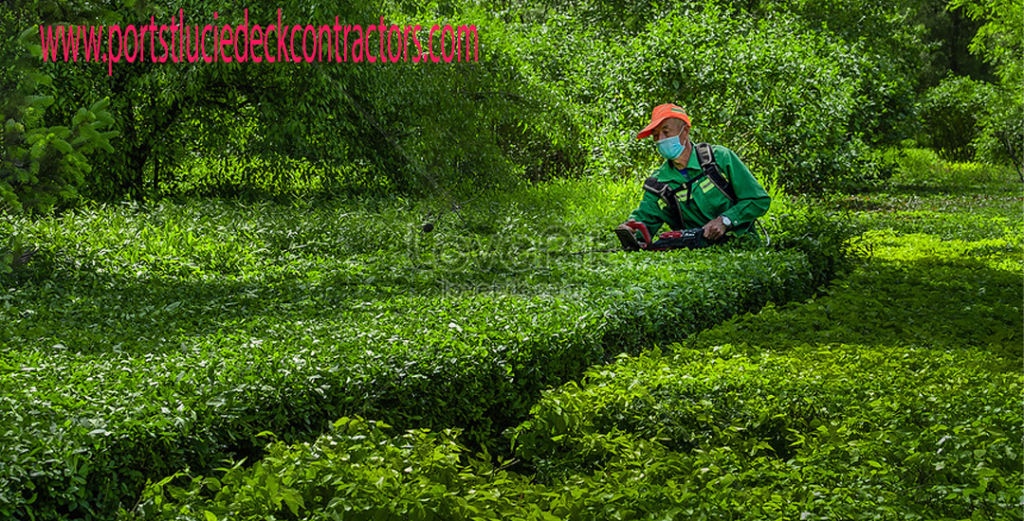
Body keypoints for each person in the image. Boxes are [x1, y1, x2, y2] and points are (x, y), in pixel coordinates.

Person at [619, 103, 770, 248]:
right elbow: (644, 221)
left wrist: (725, 220)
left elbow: (758, 200)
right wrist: (630, 229)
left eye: (666, 132)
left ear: (685, 132)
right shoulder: (658, 183)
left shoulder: (719, 159)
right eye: (656, 135)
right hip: (695, 253)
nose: (661, 140)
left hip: (742, 246)